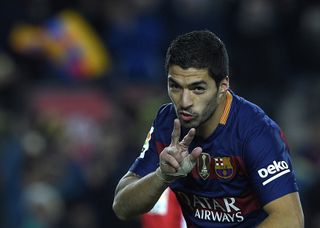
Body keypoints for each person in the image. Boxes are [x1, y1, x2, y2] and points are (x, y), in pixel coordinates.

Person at [112, 30, 304, 227]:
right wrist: (162, 175)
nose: (184, 102)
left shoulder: (255, 131)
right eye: (175, 86)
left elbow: (290, 220)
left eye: (198, 89)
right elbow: (121, 206)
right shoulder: (167, 121)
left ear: (223, 86)